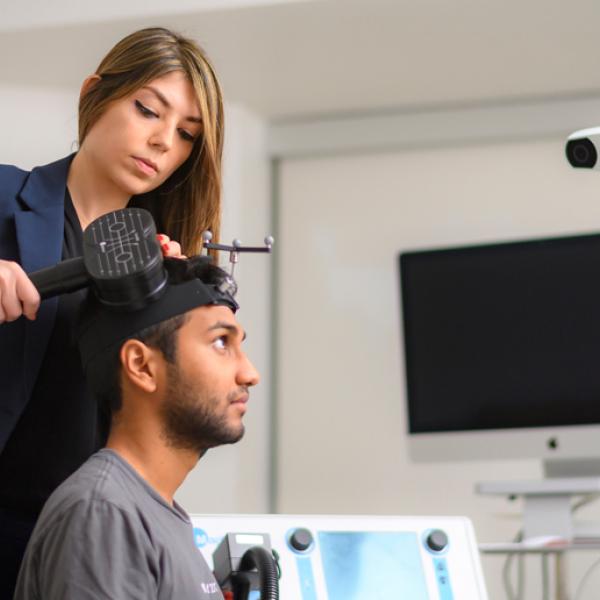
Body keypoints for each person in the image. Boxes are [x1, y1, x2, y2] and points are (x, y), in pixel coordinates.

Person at [0, 27, 225, 597]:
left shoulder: (160, 265)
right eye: (149, 110)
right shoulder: (4, 198)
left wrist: (168, 314)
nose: (162, 143)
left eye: (185, 136)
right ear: (93, 95)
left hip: (88, 547)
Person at [14, 257, 259, 599]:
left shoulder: (154, 516)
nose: (250, 374)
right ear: (141, 366)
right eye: (221, 342)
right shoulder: (103, 515)